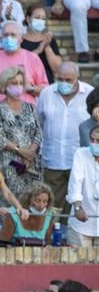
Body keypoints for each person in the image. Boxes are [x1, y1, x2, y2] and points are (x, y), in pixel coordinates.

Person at [37, 60, 92, 208]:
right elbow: (40, 123)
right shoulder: (46, 93)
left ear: (77, 78)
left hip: (82, 160)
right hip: (53, 160)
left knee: (80, 206)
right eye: (60, 79)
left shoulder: (90, 94)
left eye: (68, 80)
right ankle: (56, 231)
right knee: (53, 207)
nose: (63, 83)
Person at [0, 67, 44, 199]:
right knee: (11, 204)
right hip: (10, 163)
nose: (18, 86)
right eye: (14, 83)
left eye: (20, 83)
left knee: (32, 201)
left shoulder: (30, 107)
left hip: (31, 163)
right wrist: (20, 150)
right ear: (5, 85)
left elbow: (38, 132)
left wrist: (29, 153)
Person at [0, 22, 49, 113]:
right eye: (5, 35)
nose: (9, 38)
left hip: (25, 119)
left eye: (13, 35)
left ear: (21, 38)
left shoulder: (32, 58)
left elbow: (46, 91)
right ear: (0, 39)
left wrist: (30, 88)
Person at [66, 121, 99, 245]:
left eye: (98, 141)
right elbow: (75, 183)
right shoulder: (81, 154)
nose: (94, 144)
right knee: (78, 264)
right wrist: (78, 207)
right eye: (92, 140)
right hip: (80, 224)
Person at [0, 181, 55, 245]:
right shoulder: (14, 214)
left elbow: (48, 245)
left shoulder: (48, 217)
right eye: (37, 200)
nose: (41, 206)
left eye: (45, 202)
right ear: (28, 199)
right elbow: (1, 244)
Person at [21, 4, 63, 82]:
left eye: (43, 19)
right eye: (37, 18)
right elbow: (21, 63)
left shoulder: (49, 40)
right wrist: (39, 49)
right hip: (26, 83)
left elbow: (57, 69)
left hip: (47, 84)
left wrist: (46, 45)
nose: (40, 21)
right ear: (28, 19)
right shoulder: (20, 40)